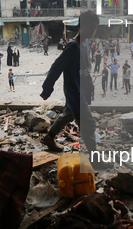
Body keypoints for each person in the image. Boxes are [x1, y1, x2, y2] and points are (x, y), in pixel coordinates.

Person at [39, 10, 100, 160]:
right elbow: (57, 66)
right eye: (91, 27)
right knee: (89, 124)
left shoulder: (84, 44)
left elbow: (84, 71)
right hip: (75, 93)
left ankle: (49, 137)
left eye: (95, 28)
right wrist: (47, 88)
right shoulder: (73, 47)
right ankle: (95, 160)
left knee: (68, 114)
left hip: (82, 91)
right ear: (81, 25)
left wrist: (90, 88)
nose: (93, 31)